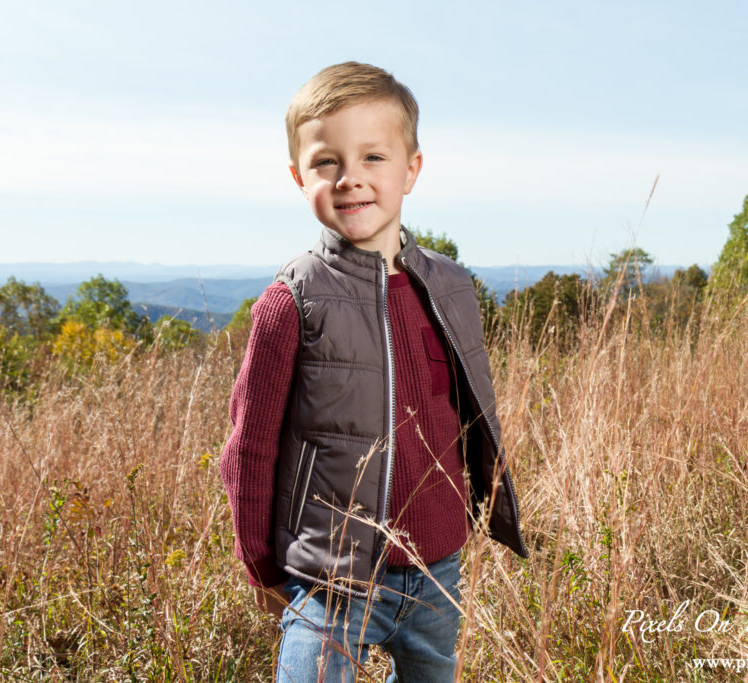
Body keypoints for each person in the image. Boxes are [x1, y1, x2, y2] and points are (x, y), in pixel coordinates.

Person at [219, 61, 527, 682]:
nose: (350, 179)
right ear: (297, 176)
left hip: (436, 567)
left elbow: (471, 412)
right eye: (326, 161)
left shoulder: (451, 286)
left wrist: (482, 510)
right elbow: (249, 450)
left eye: (373, 158)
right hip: (328, 578)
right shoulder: (292, 302)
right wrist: (263, 568)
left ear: (411, 169)